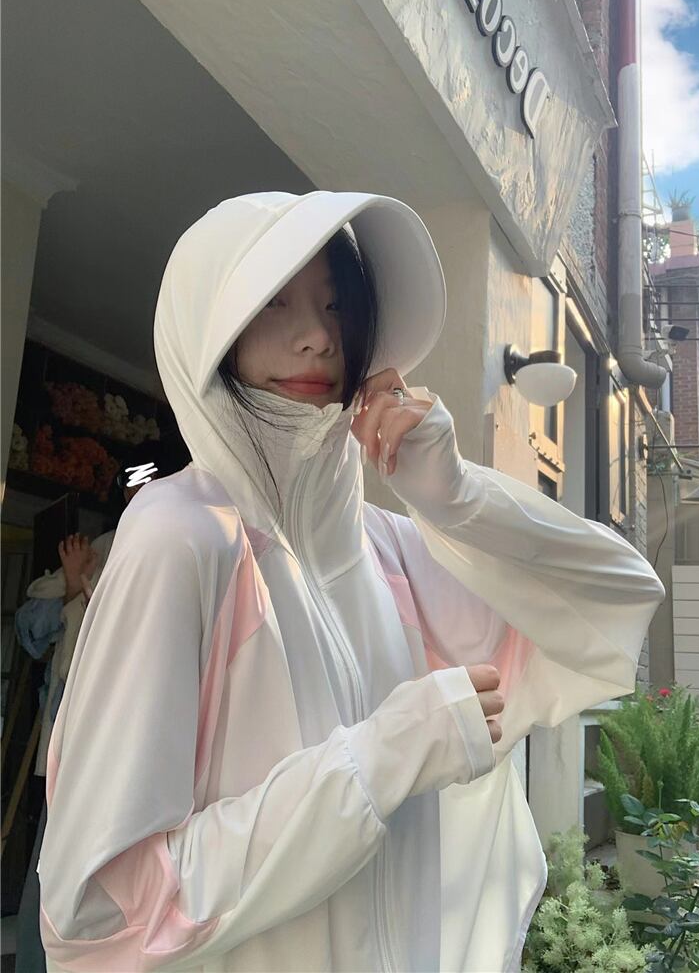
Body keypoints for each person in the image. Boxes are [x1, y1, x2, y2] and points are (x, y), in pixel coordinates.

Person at [37, 191, 665, 973]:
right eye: (275, 302)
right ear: (213, 328)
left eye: (337, 304)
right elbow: (104, 912)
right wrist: (386, 756)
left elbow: (616, 602)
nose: (319, 336)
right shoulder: (184, 536)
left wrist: (457, 498)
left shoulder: (388, 550)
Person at [13, 438, 185, 973]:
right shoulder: (101, 549)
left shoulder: (193, 542)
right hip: (79, 735)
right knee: (56, 868)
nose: (140, 491)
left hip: (150, 739)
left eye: (149, 479)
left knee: (134, 879)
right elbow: (30, 632)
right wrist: (72, 585)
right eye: (132, 483)